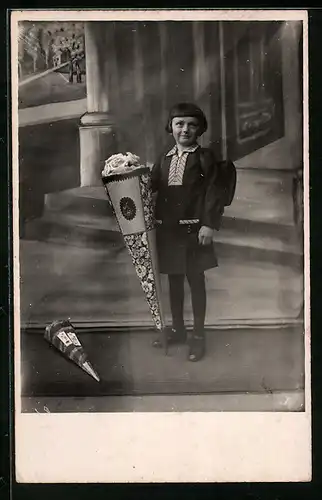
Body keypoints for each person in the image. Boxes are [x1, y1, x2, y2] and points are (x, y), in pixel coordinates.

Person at [151, 102, 224, 362]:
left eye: (192, 125)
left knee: (195, 281)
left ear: (200, 129)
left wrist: (208, 224)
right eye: (179, 124)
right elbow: (151, 187)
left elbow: (213, 191)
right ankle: (178, 330)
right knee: (174, 281)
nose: (185, 130)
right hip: (168, 231)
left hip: (194, 230)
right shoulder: (164, 158)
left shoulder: (204, 158)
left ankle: (198, 336)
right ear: (170, 127)